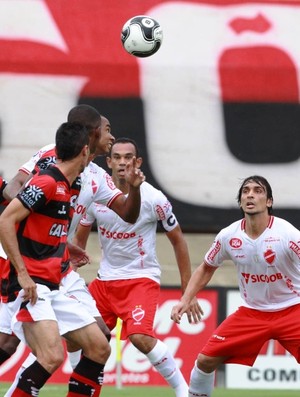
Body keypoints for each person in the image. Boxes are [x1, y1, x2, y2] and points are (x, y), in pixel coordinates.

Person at [0, 105, 145, 394]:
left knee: (99, 343)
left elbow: (128, 214)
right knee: (15, 346)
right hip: (23, 262)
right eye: (106, 130)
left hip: (56, 267)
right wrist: (34, 222)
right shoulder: (50, 168)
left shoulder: (92, 176)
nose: (112, 137)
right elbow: (11, 201)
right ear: (90, 136)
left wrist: (135, 187)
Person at [73, 138, 202, 397]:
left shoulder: (154, 198)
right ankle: (83, 391)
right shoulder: (96, 195)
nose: (122, 162)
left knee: (140, 338)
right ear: (108, 162)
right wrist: (68, 278)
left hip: (140, 279)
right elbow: (79, 240)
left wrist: (187, 294)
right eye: (116, 157)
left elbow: (179, 242)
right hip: (104, 281)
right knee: (76, 335)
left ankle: (182, 390)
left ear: (137, 162)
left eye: (128, 157)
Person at [171, 175, 300, 397]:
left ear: (269, 201)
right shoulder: (229, 236)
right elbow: (206, 267)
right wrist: (186, 298)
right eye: (245, 191)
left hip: (293, 309)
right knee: (205, 360)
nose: (250, 194)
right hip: (253, 313)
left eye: (258, 191)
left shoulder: (287, 234)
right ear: (240, 201)